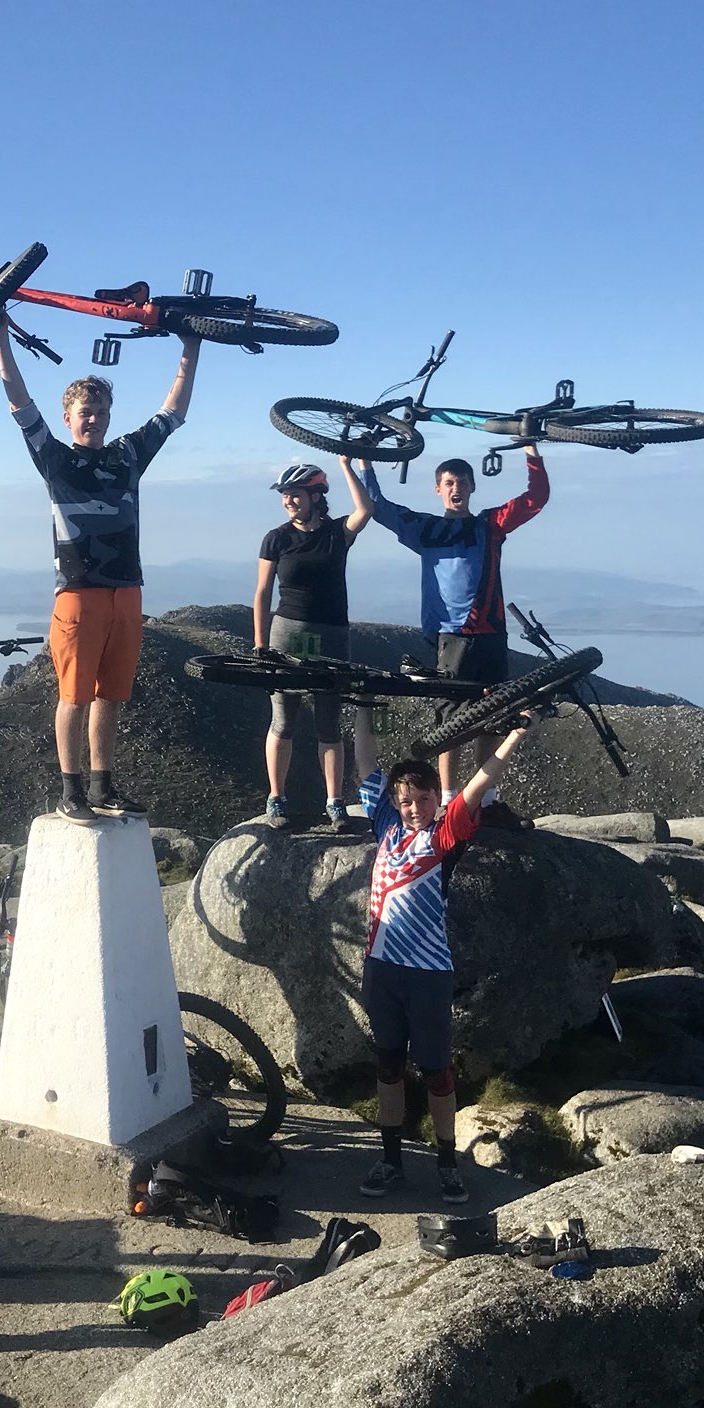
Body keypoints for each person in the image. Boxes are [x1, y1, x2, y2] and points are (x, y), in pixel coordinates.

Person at [0, 321, 202, 822]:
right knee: (74, 695)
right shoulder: (56, 459)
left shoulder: (126, 455)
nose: (96, 420)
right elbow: (19, 403)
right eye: (87, 413)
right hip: (79, 594)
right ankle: (71, 790)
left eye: (102, 412)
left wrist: (191, 349)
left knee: (112, 695)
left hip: (127, 592)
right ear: (68, 418)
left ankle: (103, 785)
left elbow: (173, 411)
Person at [352, 704, 534, 1205]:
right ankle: (390, 1161)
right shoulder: (385, 826)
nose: (413, 807)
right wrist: (362, 711)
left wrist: (515, 733)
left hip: (428, 972)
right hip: (381, 969)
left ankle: (448, 1163)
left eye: (423, 798)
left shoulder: (445, 834)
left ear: (437, 799)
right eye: (406, 800)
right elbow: (366, 765)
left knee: (436, 1071)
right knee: (388, 1066)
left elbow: (479, 781)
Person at [349, 447, 547, 828]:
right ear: (437, 489)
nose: (456, 488)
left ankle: (486, 801)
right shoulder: (427, 529)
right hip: (451, 637)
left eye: (462, 483)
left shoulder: (489, 525)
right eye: (449, 483)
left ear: (473, 487)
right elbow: (378, 505)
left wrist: (531, 452)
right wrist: (364, 462)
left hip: (491, 633)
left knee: (495, 717)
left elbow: (535, 499)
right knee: (452, 722)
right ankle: (451, 801)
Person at [251, 461, 372, 830]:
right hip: (287, 633)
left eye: (296, 494)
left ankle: (335, 803)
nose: (288, 500)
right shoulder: (276, 537)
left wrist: (350, 464)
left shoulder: (337, 533)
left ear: (316, 496)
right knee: (283, 720)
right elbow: (262, 592)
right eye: (285, 494)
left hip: (332, 634)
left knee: (329, 723)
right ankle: (277, 798)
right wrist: (259, 643)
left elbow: (366, 510)